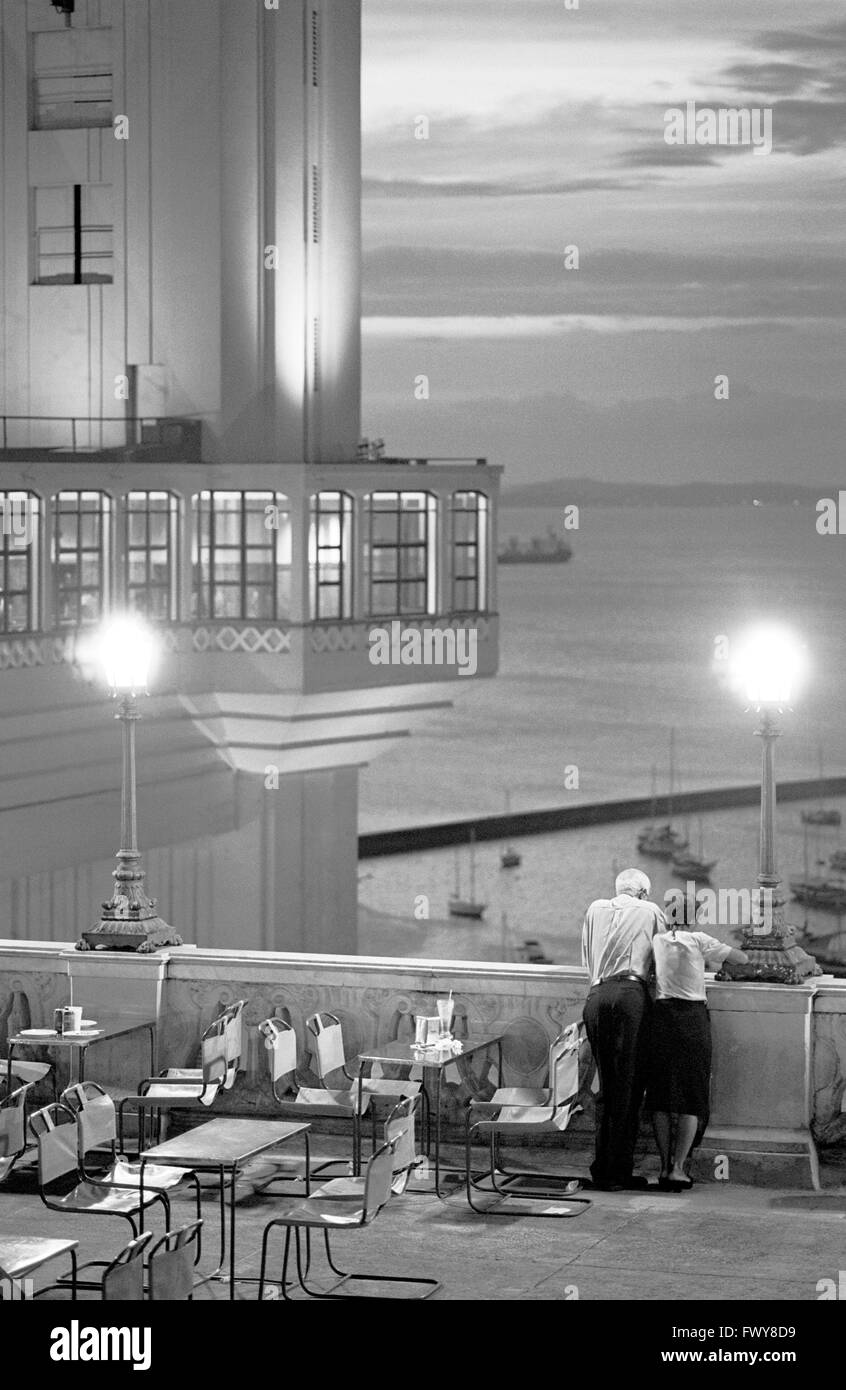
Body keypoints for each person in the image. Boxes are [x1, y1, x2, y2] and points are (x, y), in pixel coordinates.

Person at [647, 896, 748, 1191]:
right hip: (691, 1019)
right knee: (691, 1093)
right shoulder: (699, 939)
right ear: (695, 916)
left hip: (662, 1017)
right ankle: (679, 1168)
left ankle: (664, 1166)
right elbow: (740, 959)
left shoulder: (657, 939)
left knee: (660, 1096)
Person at [581, 867, 665, 1191]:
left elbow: (588, 961)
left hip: (597, 996)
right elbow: (663, 960)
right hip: (631, 997)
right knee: (629, 1087)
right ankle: (619, 1172)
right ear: (643, 893)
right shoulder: (651, 910)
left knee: (606, 1087)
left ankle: (601, 1169)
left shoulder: (594, 909)